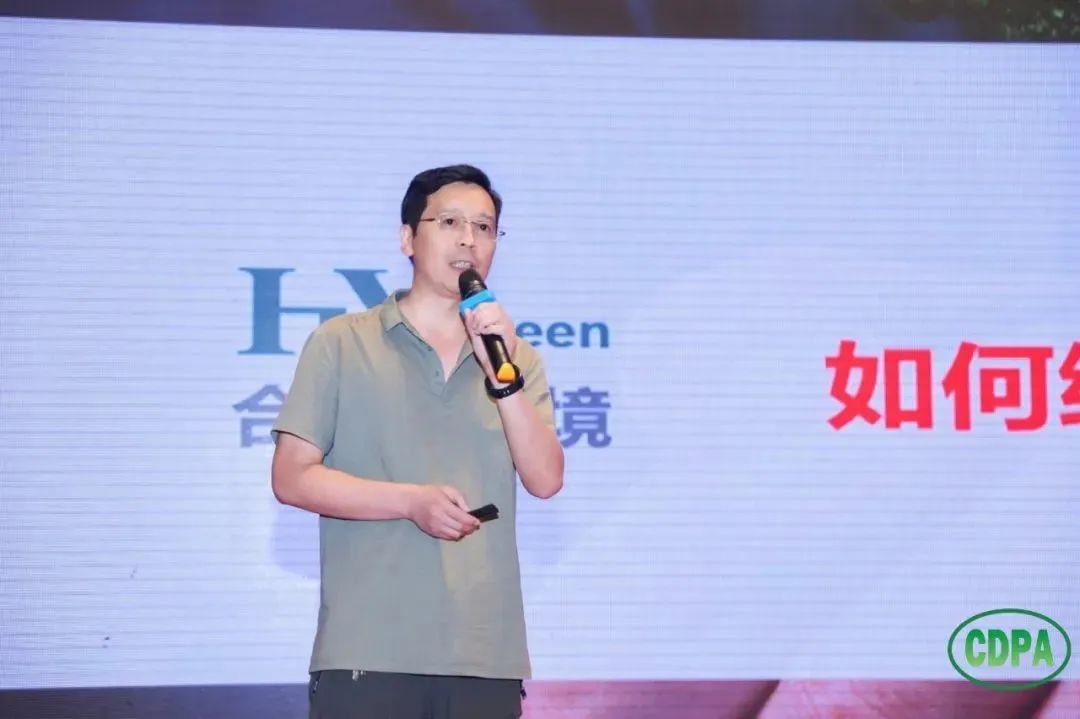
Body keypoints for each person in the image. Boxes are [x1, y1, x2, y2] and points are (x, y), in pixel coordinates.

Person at [270, 164, 565, 719]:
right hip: (368, 649)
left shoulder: (515, 357)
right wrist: (409, 501)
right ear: (408, 238)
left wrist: (503, 378)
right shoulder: (342, 342)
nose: (468, 240)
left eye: (485, 227)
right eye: (450, 222)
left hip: (485, 655)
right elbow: (291, 476)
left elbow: (546, 479)